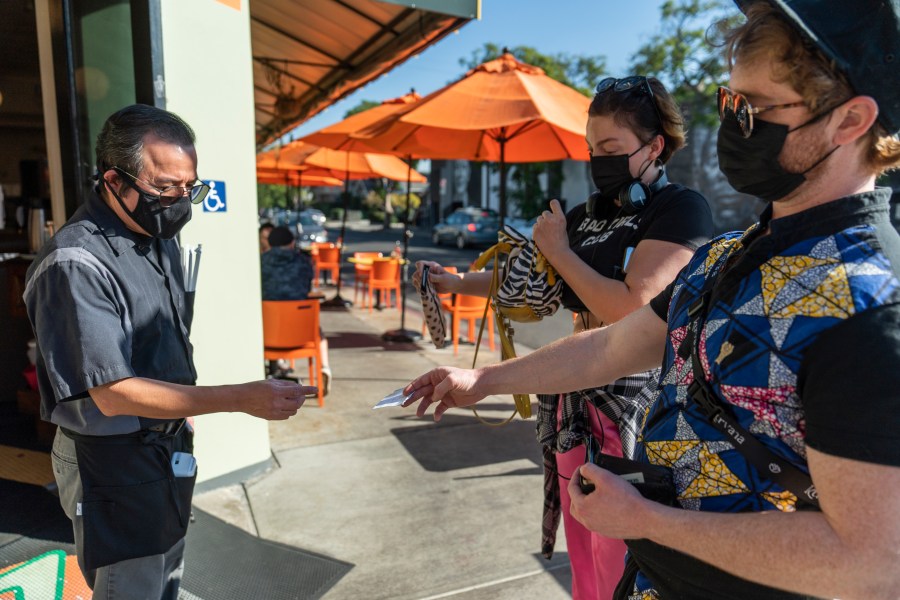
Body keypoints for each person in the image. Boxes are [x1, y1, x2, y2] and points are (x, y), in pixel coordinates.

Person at [403, 1, 900, 597]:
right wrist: (481, 379)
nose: (735, 123)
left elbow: (874, 563)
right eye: (729, 101)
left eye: (757, 107)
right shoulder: (732, 253)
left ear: (850, 122)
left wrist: (646, 521)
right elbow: (614, 344)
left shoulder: (871, 303)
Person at [412, 76, 713, 598]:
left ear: (656, 145)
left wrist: (562, 253)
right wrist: (457, 282)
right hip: (572, 393)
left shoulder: (682, 209)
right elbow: (535, 282)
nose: (598, 160)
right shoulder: (585, 216)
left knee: (619, 551)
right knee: (582, 539)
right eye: (592, 148)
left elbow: (631, 309)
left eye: (612, 148)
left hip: (633, 402)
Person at [24, 104, 314, 600]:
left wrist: (182, 411)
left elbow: (164, 337)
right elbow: (113, 393)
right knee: (131, 584)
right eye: (166, 188)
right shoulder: (75, 263)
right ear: (115, 181)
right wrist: (240, 397)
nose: (181, 201)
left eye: (190, 187)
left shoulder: (156, 237)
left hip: (164, 443)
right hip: (109, 458)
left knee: (166, 575)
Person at [260, 225, 332, 393]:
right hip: (300, 332)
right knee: (318, 332)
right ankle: (324, 367)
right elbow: (306, 288)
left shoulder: (261, 262)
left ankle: (275, 368)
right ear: (292, 243)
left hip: (268, 333)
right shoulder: (303, 262)